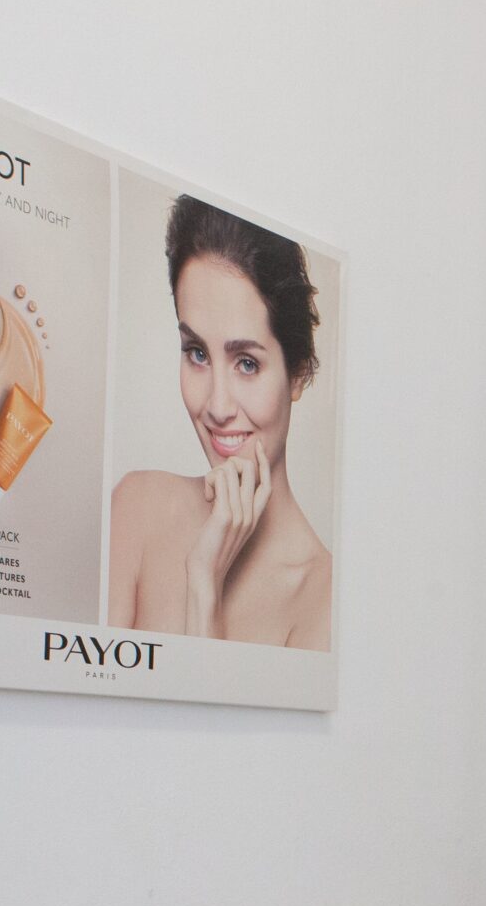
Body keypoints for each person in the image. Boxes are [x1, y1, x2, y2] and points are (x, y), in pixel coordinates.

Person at [108, 197, 329, 647]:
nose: (217, 406)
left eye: (247, 363)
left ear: (297, 374)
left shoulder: (322, 597)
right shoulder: (137, 508)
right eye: (197, 353)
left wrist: (205, 585)